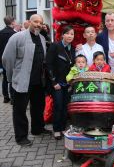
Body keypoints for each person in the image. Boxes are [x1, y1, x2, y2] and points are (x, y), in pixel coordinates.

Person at [2, 14, 51, 146]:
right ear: (29, 22)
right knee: (20, 111)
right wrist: (12, 77)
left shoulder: (41, 38)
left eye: (40, 22)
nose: (38, 24)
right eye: (35, 21)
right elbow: (7, 58)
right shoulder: (17, 37)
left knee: (38, 108)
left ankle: (37, 129)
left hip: (38, 82)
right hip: (22, 81)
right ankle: (21, 137)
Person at [46, 25, 75, 140]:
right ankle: (56, 129)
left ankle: (63, 127)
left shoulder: (72, 49)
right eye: (67, 33)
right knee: (57, 105)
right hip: (57, 83)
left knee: (65, 106)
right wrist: (53, 82)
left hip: (67, 83)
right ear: (62, 35)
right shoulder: (55, 46)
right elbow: (48, 65)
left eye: (72, 34)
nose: (69, 36)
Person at [0, 15, 16, 103]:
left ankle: (5, 96)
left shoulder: (0, 32)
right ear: (12, 22)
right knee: (12, 78)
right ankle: (13, 98)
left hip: (2, 59)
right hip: (11, 59)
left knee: (5, 78)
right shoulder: (14, 34)